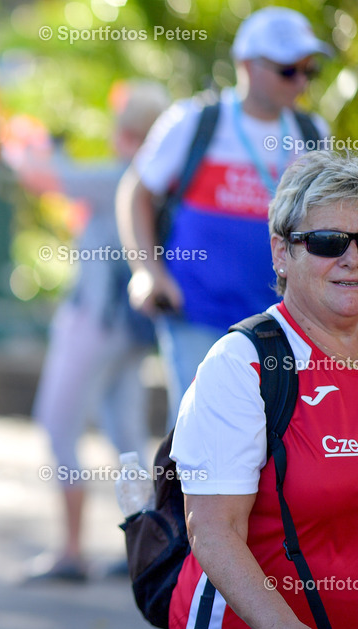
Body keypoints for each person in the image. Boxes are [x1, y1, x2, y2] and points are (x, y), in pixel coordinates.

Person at [168, 151, 358, 629]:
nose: (351, 259)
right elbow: (212, 528)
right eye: (328, 242)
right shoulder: (245, 364)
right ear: (281, 251)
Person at [117, 7, 331, 427]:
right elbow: (135, 192)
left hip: (279, 320)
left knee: (270, 439)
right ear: (247, 65)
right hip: (196, 310)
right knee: (200, 434)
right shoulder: (195, 121)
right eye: (289, 70)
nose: (302, 81)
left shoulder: (312, 131)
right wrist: (147, 272)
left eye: (310, 70)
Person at [28, 81, 169, 581]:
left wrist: (38, 143)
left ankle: (70, 551)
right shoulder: (158, 177)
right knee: (126, 435)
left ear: (127, 131)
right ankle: (149, 549)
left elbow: (45, 176)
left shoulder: (119, 176)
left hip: (96, 319)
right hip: (131, 330)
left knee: (58, 424)